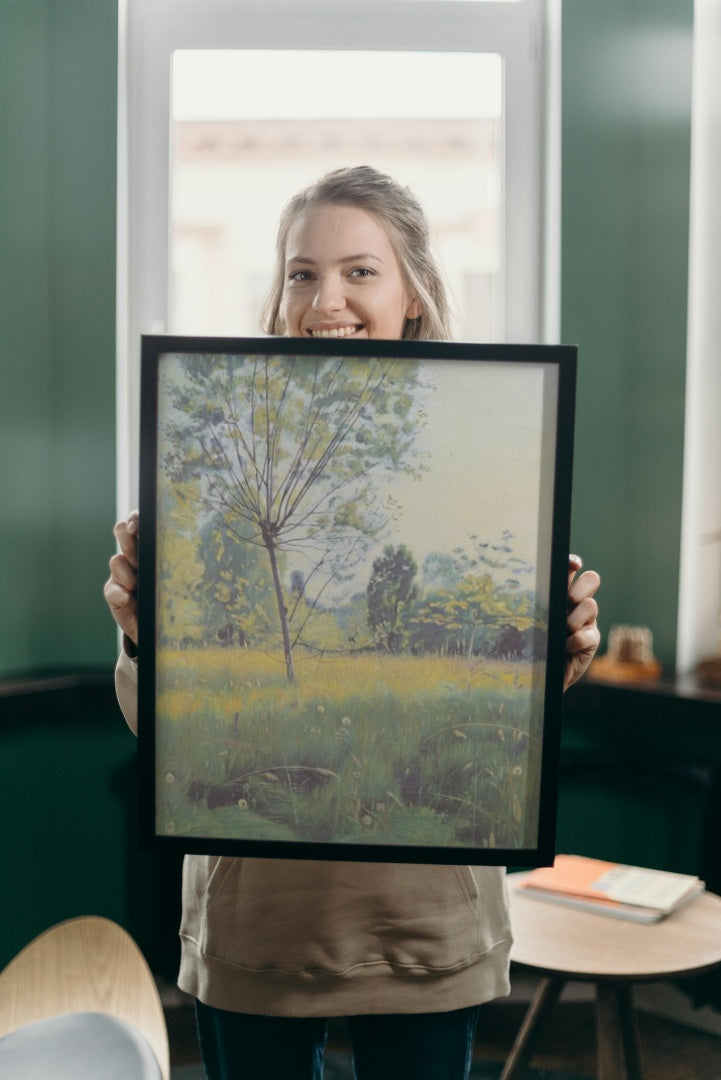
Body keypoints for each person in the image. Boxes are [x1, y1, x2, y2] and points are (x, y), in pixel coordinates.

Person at [105, 166, 601, 1080]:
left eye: (359, 271)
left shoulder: (489, 440)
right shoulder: (214, 444)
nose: (324, 298)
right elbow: (168, 735)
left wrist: (555, 653)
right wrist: (144, 638)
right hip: (257, 926)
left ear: (412, 292)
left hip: (425, 925)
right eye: (301, 272)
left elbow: (505, 730)